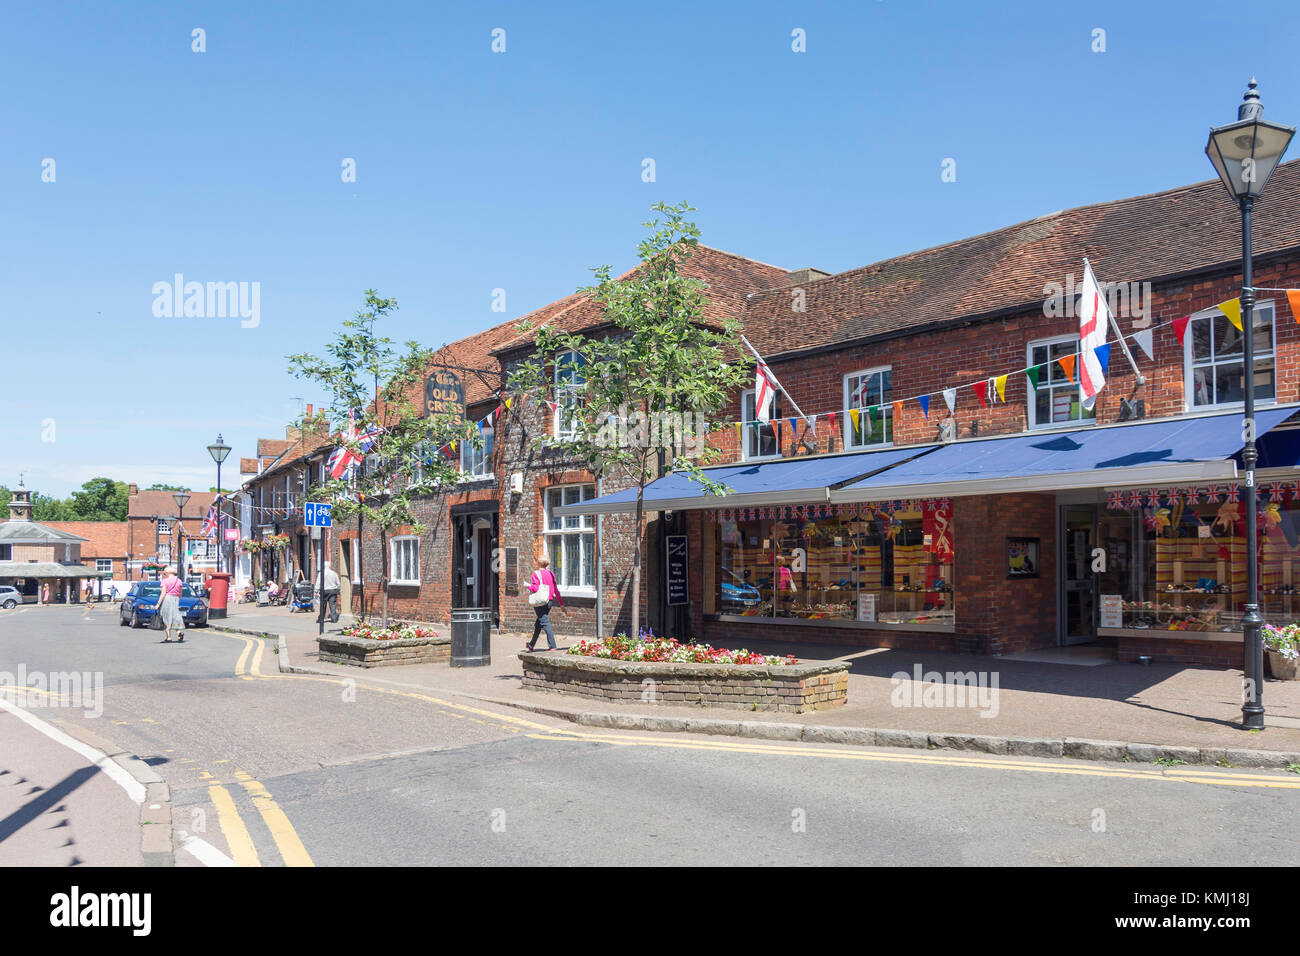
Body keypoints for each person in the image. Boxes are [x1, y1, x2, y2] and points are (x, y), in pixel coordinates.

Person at [525, 556, 563, 651]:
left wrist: (527, 585)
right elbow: (556, 590)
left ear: (538, 563)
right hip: (549, 601)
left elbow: (535, 588)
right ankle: (531, 644)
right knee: (539, 622)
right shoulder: (551, 574)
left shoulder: (536, 574)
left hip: (540, 602)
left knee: (545, 623)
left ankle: (552, 646)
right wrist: (561, 604)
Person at [156, 565, 186, 643]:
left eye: (165, 573)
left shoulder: (165, 581)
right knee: (174, 617)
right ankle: (179, 632)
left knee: (166, 617)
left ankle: (168, 637)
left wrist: (158, 604)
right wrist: (177, 600)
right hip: (176, 599)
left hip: (167, 599)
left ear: (167, 573)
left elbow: (163, 593)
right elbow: (180, 593)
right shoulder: (179, 581)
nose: (164, 574)